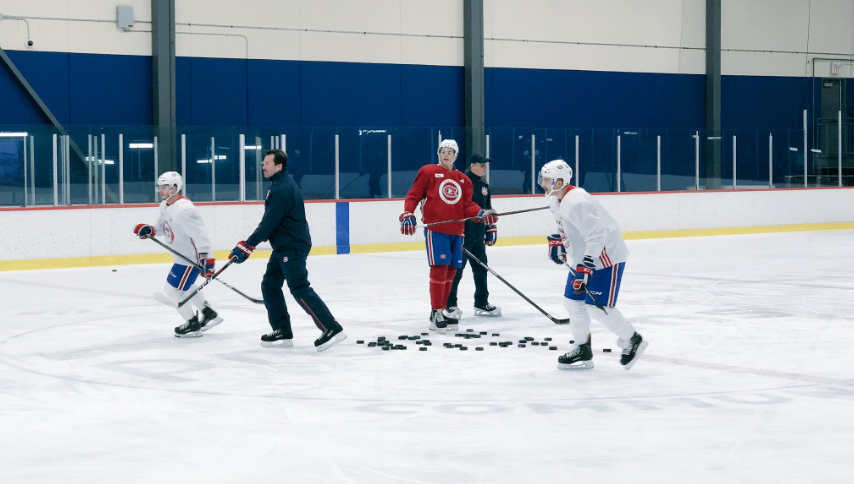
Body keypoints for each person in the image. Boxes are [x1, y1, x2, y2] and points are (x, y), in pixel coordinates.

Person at [229, 149, 346, 352]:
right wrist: (249, 244)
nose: (263, 166)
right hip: (284, 245)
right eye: (263, 163)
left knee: (299, 287)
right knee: (270, 285)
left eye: (267, 163)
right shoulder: (280, 185)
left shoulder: (282, 189)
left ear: (279, 166)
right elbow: (273, 222)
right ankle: (282, 329)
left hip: (291, 246)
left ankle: (331, 327)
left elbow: (269, 222)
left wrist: (248, 245)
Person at [538, 159, 648, 370]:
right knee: (572, 302)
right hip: (584, 257)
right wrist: (557, 241)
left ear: (559, 182)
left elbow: (598, 234)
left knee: (598, 308)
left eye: (546, 180)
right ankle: (583, 348)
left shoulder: (576, 201)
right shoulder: (555, 199)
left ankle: (633, 339)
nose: (542, 183)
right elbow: (567, 227)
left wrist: (586, 266)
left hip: (606, 256)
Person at [399, 139, 497, 334]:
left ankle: (443, 309)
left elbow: (467, 205)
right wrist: (408, 213)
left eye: (450, 152)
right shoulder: (427, 171)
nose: (446, 154)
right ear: (438, 154)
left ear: (455, 156)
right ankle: (435, 312)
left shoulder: (463, 179)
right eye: (443, 151)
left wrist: (480, 213)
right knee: (439, 269)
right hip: (437, 230)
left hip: (457, 231)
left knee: (452, 271)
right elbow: (414, 195)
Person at [133, 171, 223, 338]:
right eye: (159, 187)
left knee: (172, 289)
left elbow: (201, 236)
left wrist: (207, 260)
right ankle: (208, 313)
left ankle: (192, 324)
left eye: (164, 187)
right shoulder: (165, 205)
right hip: (182, 257)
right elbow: (162, 227)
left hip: (191, 258)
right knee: (185, 287)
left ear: (174, 188)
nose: (160, 190)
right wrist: (150, 230)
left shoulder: (184, 209)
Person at [446, 153, 501, 319]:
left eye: (485, 165)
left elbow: (488, 208)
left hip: (478, 234)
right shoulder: (461, 182)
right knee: (457, 271)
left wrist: (490, 227)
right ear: (472, 166)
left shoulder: (484, 185)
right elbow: (456, 208)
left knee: (481, 268)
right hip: (463, 234)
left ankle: (481, 302)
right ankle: (450, 304)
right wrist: (458, 229)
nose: (485, 168)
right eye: (482, 165)